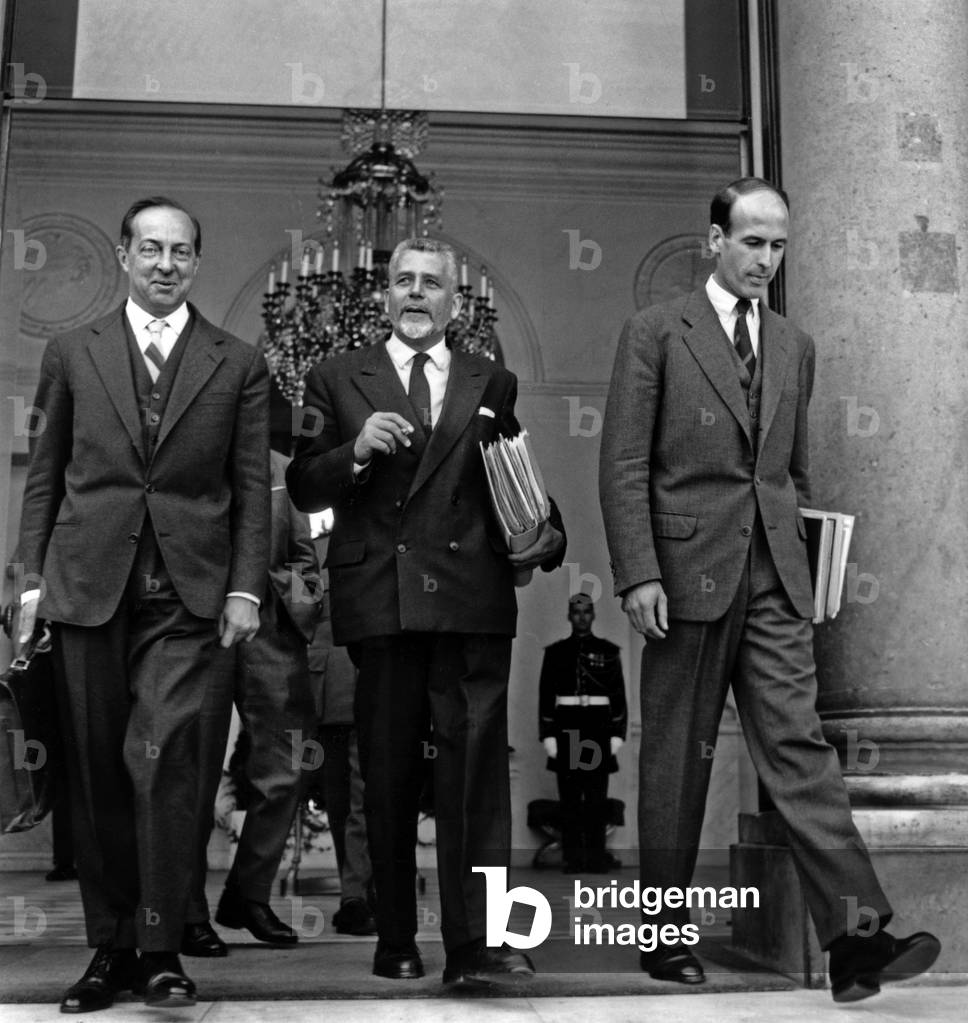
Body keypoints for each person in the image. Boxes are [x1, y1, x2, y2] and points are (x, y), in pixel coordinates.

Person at [598, 177, 940, 1002]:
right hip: (682, 577)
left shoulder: (795, 345)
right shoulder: (654, 333)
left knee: (801, 750)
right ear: (714, 240)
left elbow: (791, 474)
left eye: (778, 244)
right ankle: (664, 935)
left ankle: (855, 938)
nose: (765, 259)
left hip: (777, 580)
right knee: (678, 758)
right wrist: (639, 570)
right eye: (752, 241)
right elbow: (624, 463)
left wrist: (810, 563)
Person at [287, 237, 566, 986]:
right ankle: (395, 936)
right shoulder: (336, 376)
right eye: (403, 281)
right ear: (384, 295)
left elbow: (512, 476)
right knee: (386, 777)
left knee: (475, 780)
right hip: (382, 605)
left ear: (453, 301)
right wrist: (353, 450)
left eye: (431, 283)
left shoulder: (491, 380)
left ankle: (475, 947)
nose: (416, 293)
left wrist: (545, 532)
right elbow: (304, 485)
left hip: (472, 604)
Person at [17, 196, 269, 1012]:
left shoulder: (238, 362)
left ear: (198, 262)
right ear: (124, 255)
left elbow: (251, 490)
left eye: (182, 251)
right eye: (151, 248)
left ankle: (160, 949)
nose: (166, 264)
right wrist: (29, 583)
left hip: (188, 600)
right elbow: (45, 473)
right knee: (95, 776)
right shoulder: (71, 351)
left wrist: (244, 586)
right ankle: (109, 950)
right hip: (86, 588)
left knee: (161, 765)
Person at [199, 449, 320, 947]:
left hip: (270, 633)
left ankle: (248, 894)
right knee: (186, 767)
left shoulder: (282, 470)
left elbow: (305, 559)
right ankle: (184, 912)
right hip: (194, 627)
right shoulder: (188, 454)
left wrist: (270, 592)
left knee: (288, 766)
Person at [538, 592, 627, 873]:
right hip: (567, 725)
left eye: (587, 611)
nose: (581, 617)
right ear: (569, 615)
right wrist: (548, 735)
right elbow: (545, 696)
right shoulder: (555, 653)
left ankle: (597, 858)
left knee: (597, 797)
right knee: (571, 797)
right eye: (576, 612)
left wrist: (617, 735)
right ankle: (574, 859)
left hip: (598, 726)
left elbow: (619, 697)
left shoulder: (608, 651)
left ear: (593, 615)